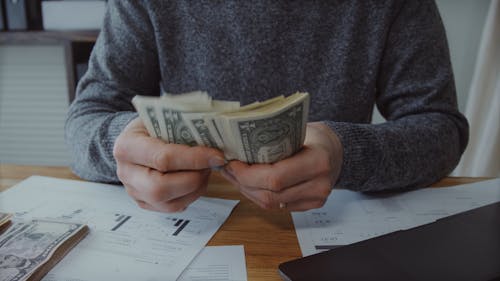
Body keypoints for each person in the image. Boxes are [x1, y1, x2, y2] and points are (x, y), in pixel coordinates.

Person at [65, 1, 469, 213]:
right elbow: (87, 117)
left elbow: (441, 128)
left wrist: (348, 154)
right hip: (190, 227)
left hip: (333, 232)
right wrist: (122, 144)